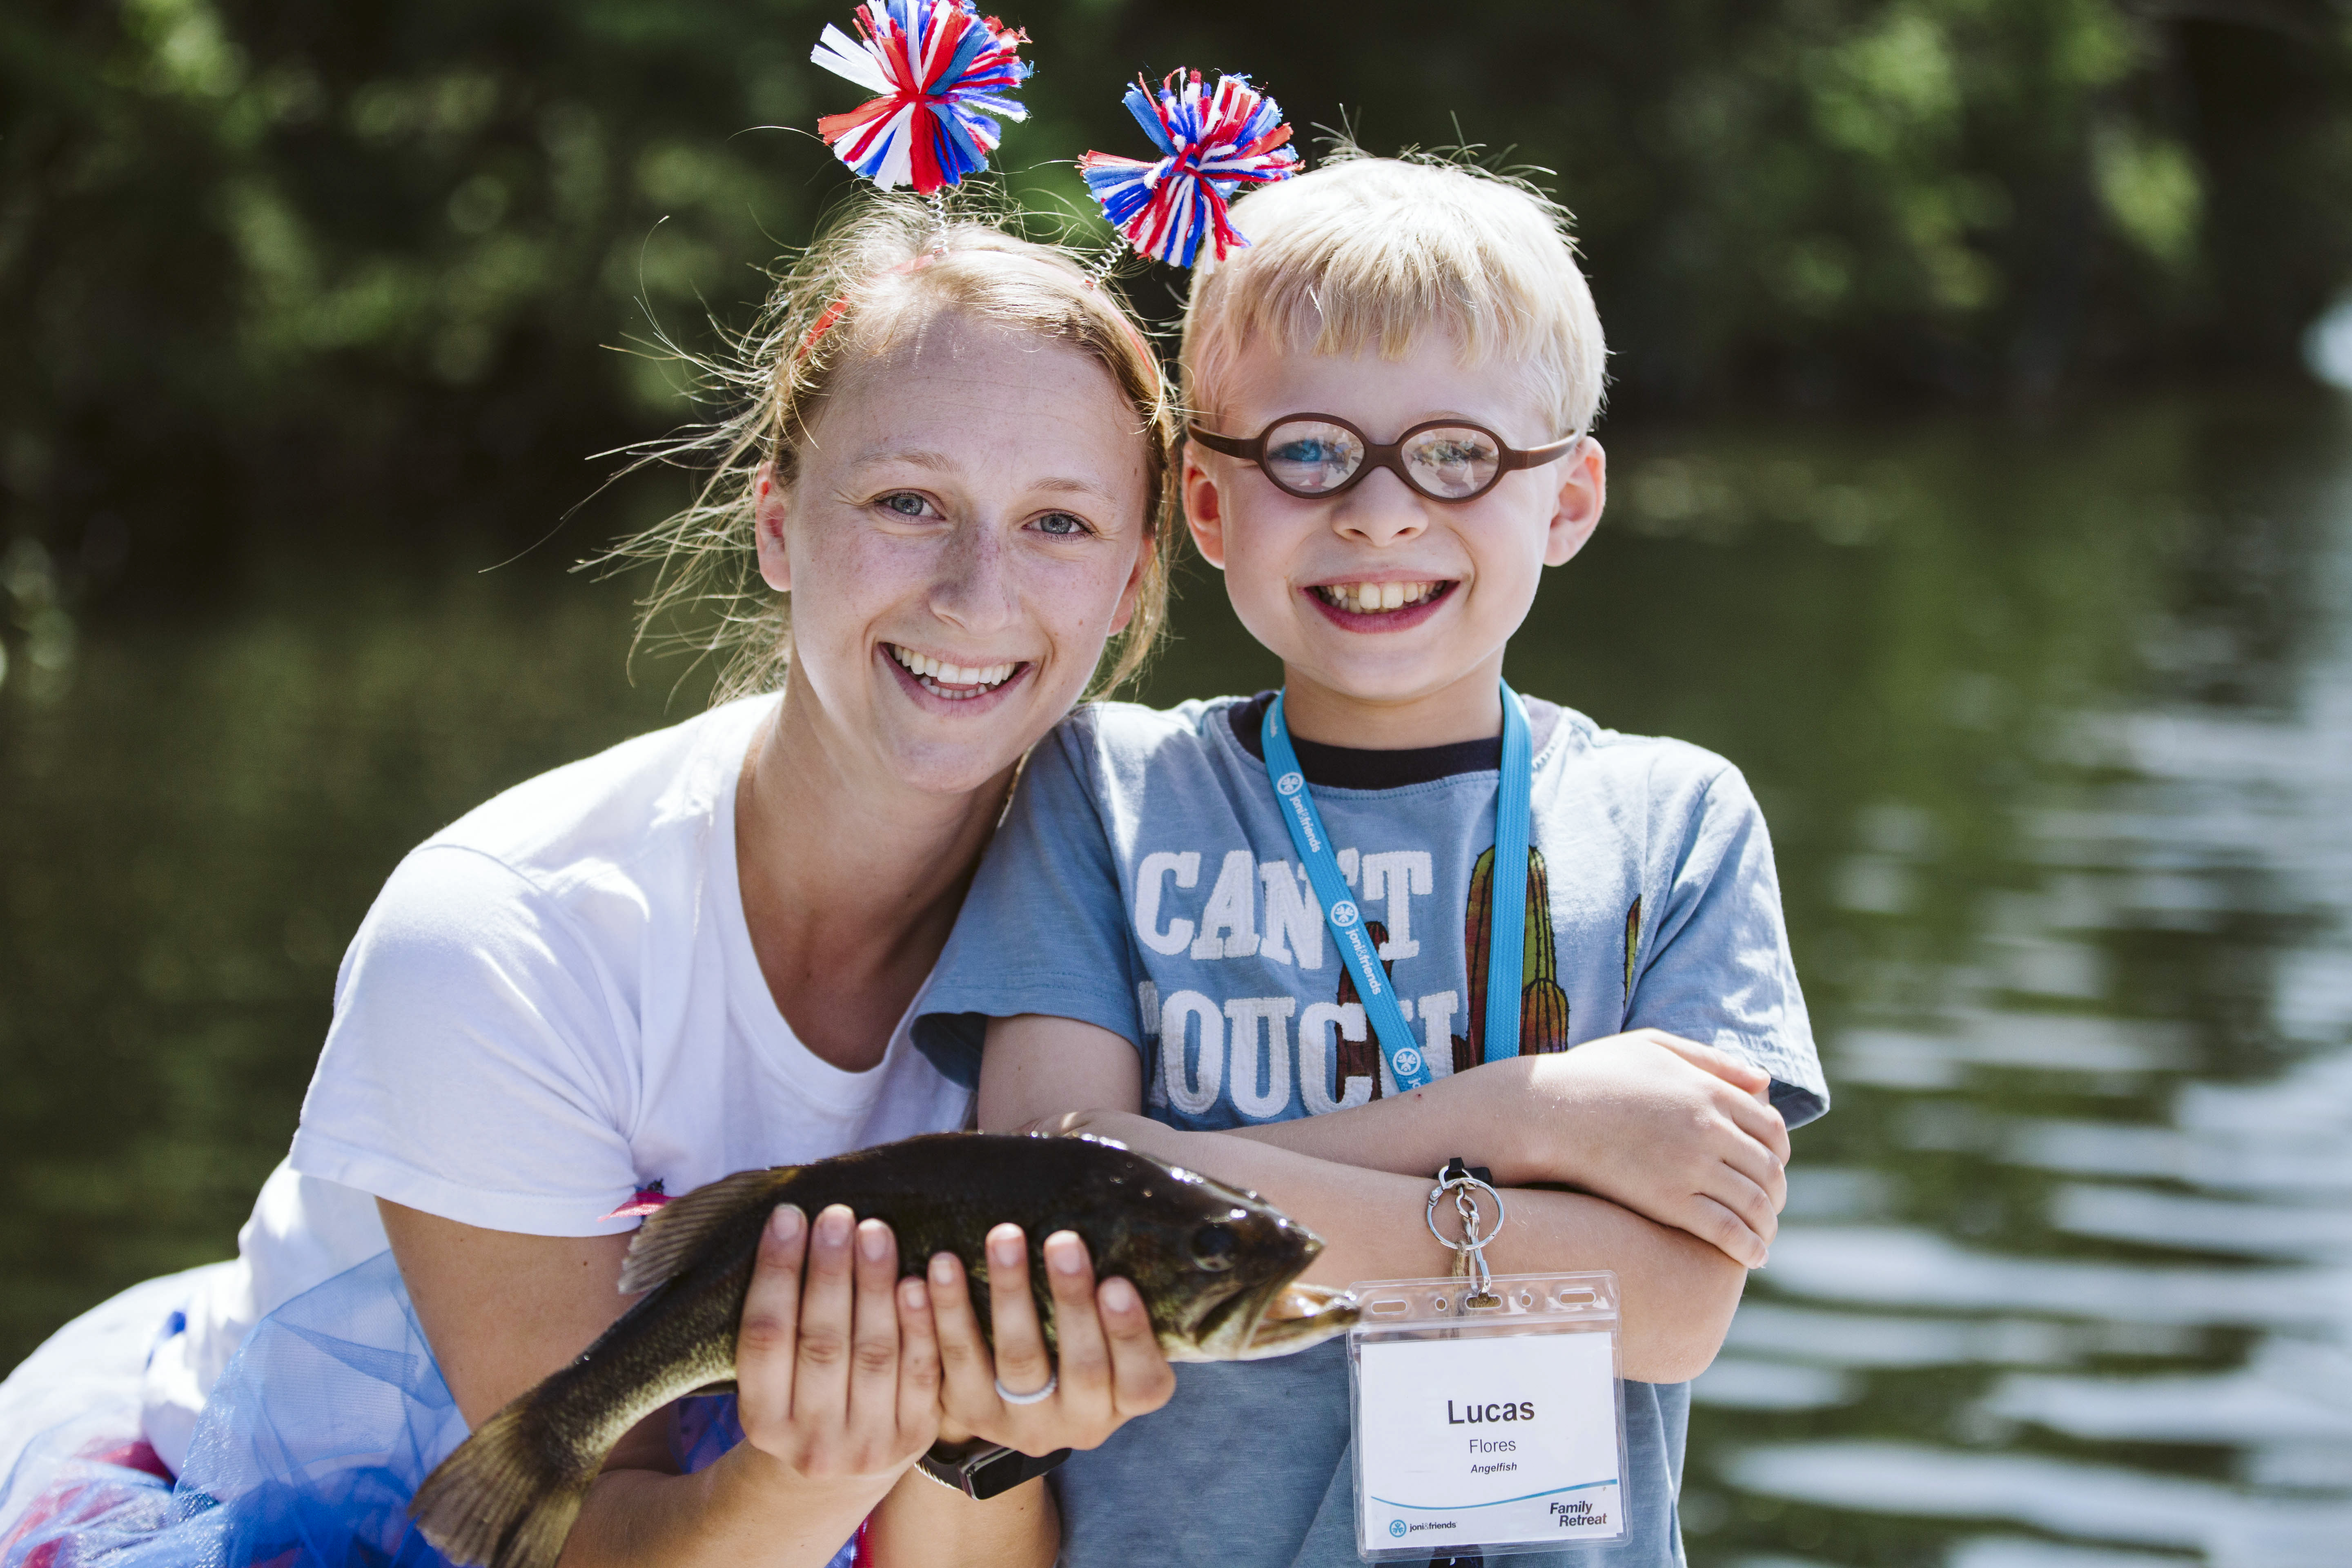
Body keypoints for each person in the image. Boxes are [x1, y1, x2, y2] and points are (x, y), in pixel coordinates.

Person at [0, 196, 1186, 1568]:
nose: (979, 594)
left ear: (1135, 577)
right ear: (778, 525)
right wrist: (817, 1472)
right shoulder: (503, 936)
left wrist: (980, 1430)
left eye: (1059, 523)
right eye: (908, 503)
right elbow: (565, 1533)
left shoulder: (1148, 889)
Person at [911, 153, 1832, 1566]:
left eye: (1459, 455)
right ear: (1210, 507)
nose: (1381, 512)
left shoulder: (1677, 822)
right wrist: (1538, 1127)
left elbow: (1669, 1307)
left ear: (1569, 499)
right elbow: (1049, 1215)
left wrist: (1175, 1173)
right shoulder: (1101, 791)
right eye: (1307, 452)